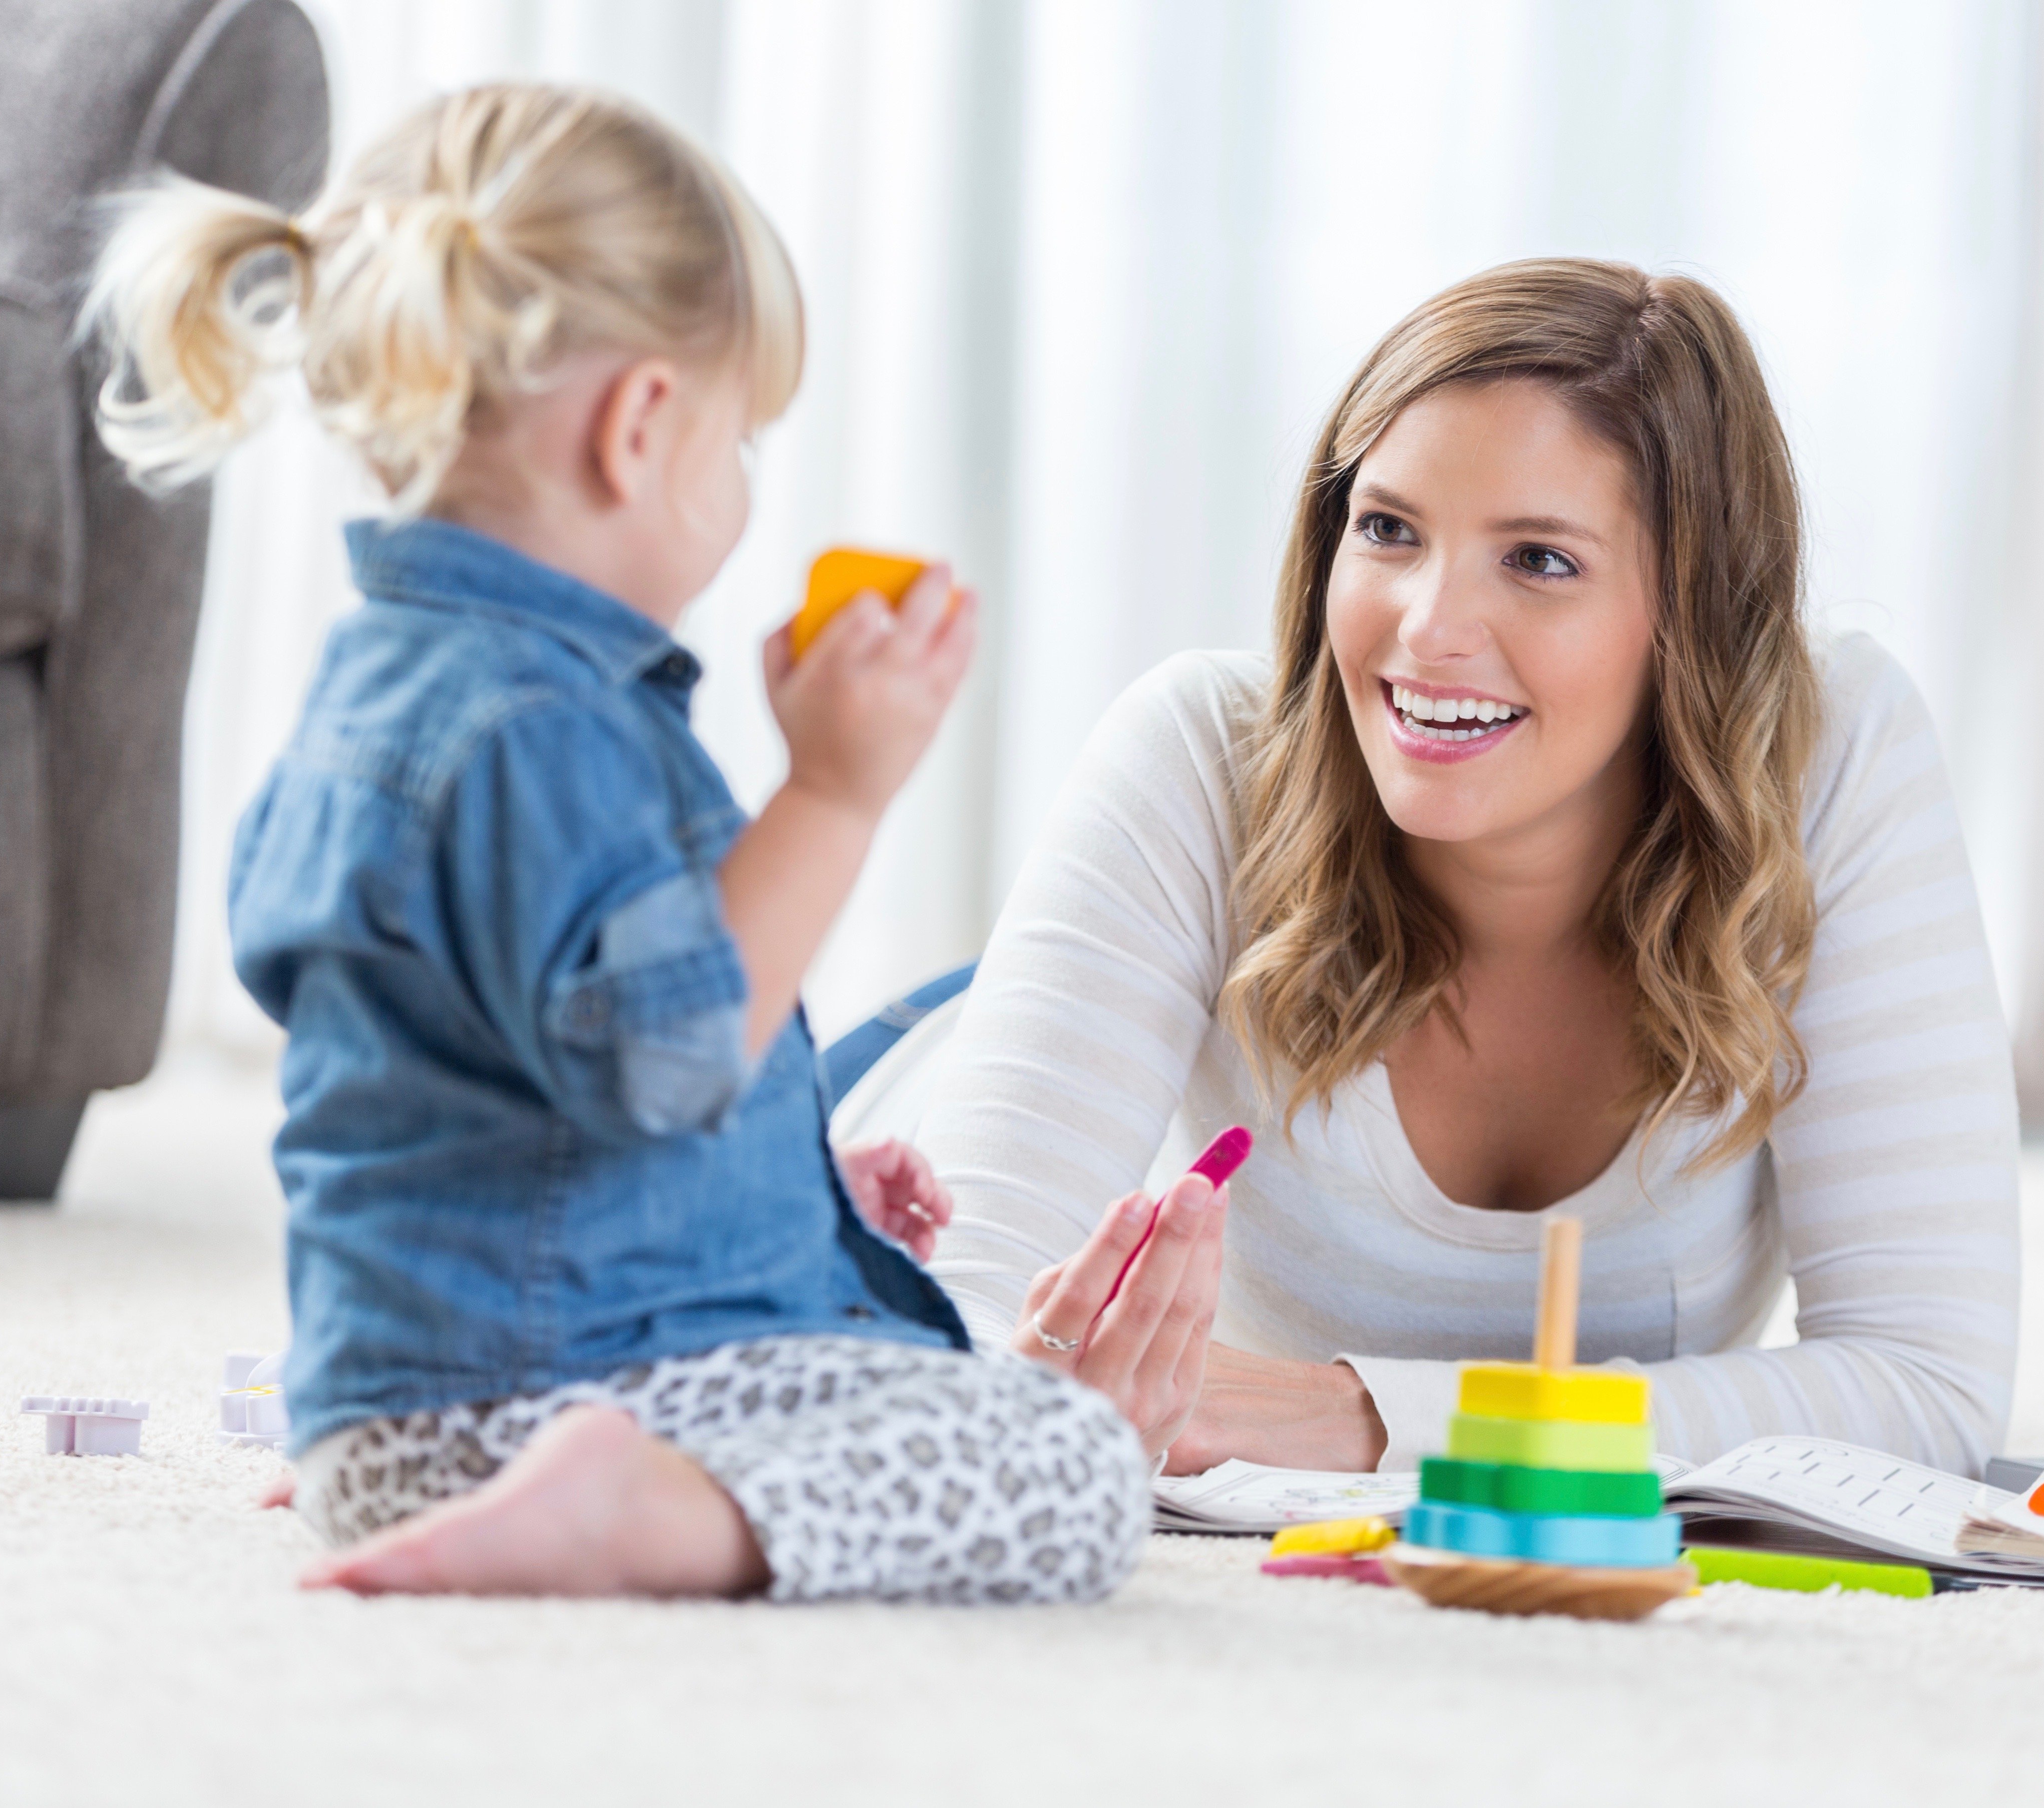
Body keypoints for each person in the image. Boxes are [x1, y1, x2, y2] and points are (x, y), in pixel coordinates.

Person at [80, 83, 1219, 1603]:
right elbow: (675, 1051)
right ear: (639, 429)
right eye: (741, 438)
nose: (745, 482)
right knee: (1070, 1464)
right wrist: (835, 788)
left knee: (905, 1350)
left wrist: (780, 1188)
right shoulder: (547, 730)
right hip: (554, 1395)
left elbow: (506, 1081)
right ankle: (622, 1518)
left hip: (386, 1407)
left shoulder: (373, 693)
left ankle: (524, 1491)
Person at [916, 259, 2021, 1478]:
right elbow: (935, 1335)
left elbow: (1931, 1390)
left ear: (1694, 615)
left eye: (1540, 559)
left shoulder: (1828, 748)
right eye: (1387, 530)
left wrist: (1369, 1418)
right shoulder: (1196, 756)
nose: (1429, 630)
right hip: (883, 1110)